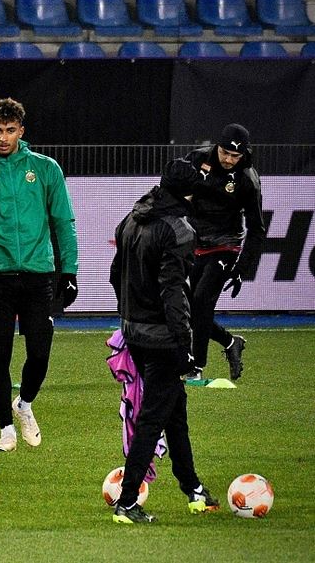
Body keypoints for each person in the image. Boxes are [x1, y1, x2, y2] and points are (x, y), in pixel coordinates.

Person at [0, 98, 78, 452]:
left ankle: (23, 404)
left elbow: (64, 222)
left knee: (39, 354)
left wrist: (69, 270)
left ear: (21, 131)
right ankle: (6, 430)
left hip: (39, 275)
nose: (3, 137)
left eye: (10, 130)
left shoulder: (45, 169)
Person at [109, 161, 220, 524]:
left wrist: (130, 315)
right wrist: (185, 346)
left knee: (174, 412)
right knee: (153, 418)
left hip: (134, 333)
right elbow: (174, 292)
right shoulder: (179, 230)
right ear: (189, 193)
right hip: (162, 339)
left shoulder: (131, 218)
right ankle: (127, 502)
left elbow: (115, 274)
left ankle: (193, 489)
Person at [174, 124, 266, 381]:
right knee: (192, 310)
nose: (228, 159)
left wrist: (241, 269)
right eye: (225, 153)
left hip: (226, 245)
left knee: (202, 300)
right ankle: (230, 341)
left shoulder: (247, 179)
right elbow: (176, 187)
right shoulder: (197, 159)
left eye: (235, 156)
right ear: (217, 146)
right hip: (195, 243)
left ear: (243, 154)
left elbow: (257, 229)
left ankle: (195, 368)